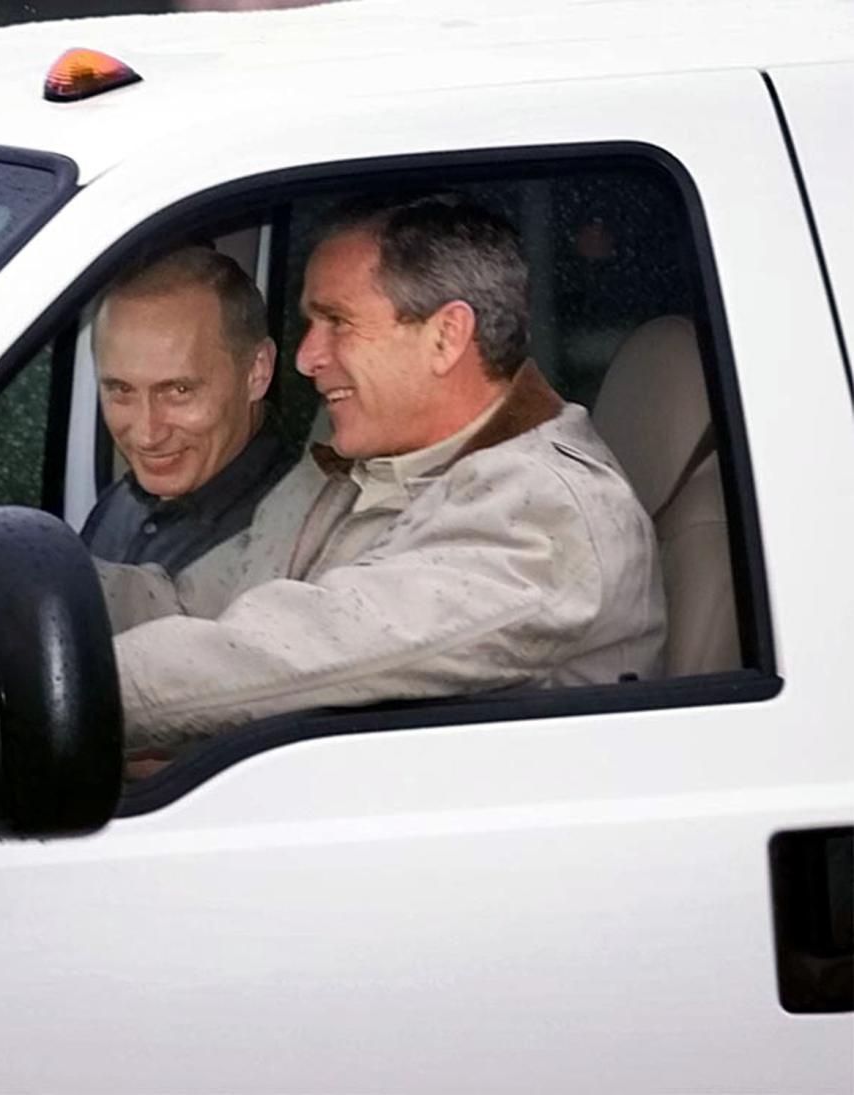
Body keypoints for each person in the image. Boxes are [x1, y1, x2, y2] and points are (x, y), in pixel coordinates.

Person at [103, 194, 666, 754]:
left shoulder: (544, 520)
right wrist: (34, 585)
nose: (305, 359)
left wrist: (41, 694)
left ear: (446, 337)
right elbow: (199, 604)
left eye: (337, 322)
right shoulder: (360, 456)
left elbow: (278, 655)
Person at [82, 246, 298, 575]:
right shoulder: (120, 504)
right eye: (121, 390)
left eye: (179, 391)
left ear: (258, 371)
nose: (147, 434)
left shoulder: (293, 544)